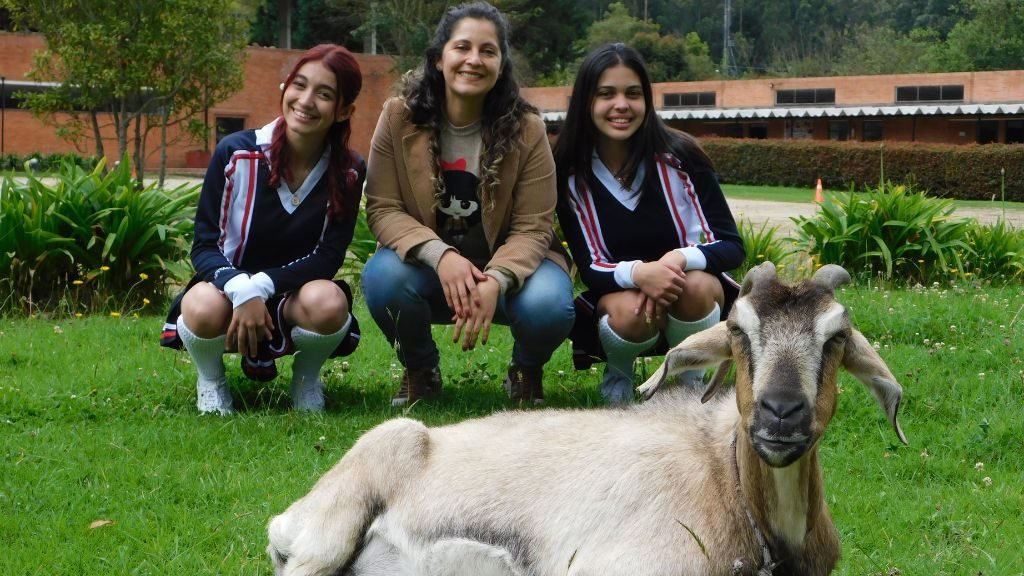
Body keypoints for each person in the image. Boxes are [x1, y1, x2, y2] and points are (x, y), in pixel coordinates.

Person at [361, 1, 575, 407]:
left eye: (488, 51)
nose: (473, 60)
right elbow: (383, 207)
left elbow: (534, 227)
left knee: (549, 303)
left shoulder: (527, 129)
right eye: (462, 47)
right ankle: (421, 369)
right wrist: (442, 256)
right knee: (384, 277)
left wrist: (496, 278)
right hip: (429, 271)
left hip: (514, 275)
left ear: (501, 64)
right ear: (440, 59)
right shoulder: (398, 117)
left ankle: (526, 369)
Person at [160, 44, 366, 414]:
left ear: (344, 111)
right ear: (284, 88)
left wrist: (262, 286)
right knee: (201, 306)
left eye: (324, 94)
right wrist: (241, 288)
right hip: (227, 292)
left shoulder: (349, 170)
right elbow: (205, 246)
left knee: (330, 302)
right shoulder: (236, 152)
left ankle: (306, 379)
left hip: (294, 297)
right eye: (299, 86)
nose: (306, 100)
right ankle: (210, 380)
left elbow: (329, 256)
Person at [553, 43, 745, 404]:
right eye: (606, 94)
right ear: (585, 102)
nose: (621, 105)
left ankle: (691, 379)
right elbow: (590, 266)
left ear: (647, 100)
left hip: (688, 292)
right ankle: (620, 375)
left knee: (697, 286)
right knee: (631, 312)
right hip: (622, 300)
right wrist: (641, 274)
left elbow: (731, 246)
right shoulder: (569, 172)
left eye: (633, 94)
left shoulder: (682, 156)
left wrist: (676, 261)